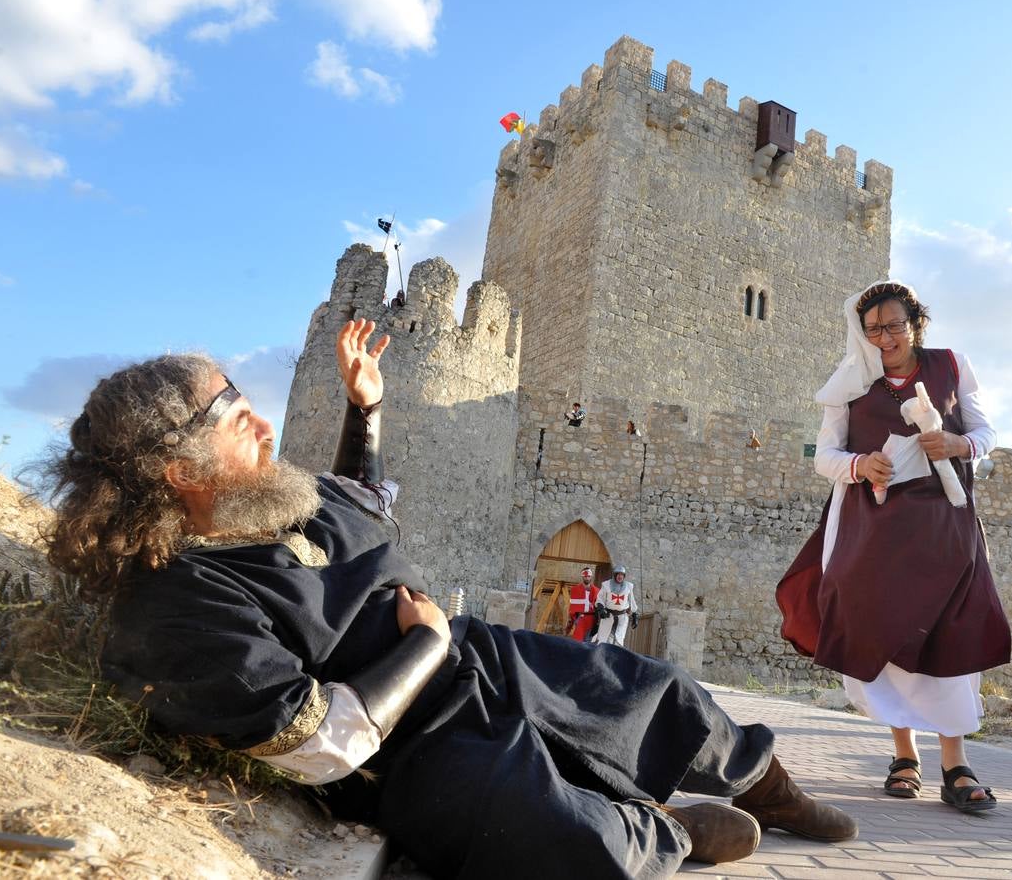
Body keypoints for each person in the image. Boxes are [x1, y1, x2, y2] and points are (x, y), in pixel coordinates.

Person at [43, 320, 857, 877]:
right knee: (557, 842)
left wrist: (366, 408)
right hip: (404, 746)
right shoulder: (178, 598)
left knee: (651, 693)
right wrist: (424, 644)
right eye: (232, 416)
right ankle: (666, 829)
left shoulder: (276, 498)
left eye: (247, 401)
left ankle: (767, 788)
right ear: (181, 472)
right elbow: (313, 740)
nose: (260, 424)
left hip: (479, 655)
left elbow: (364, 502)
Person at [776, 281, 1010, 813]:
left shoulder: (951, 365)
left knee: (951, 633)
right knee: (884, 633)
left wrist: (960, 444)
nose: (884, 337)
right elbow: (825, 456)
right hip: (874, 529)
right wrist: (860, 465)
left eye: (894, 325)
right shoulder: (852, 383)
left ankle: (957, 765)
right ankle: (904, 756)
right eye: (873, 329)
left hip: (944, 526)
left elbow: (985, 431)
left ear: (915, 324)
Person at [596, 566, 639, 647]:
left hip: (622, 617)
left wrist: (635, 615)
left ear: (624, 576)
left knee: (619, 639)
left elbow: (632, 601)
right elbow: (600, 599)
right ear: (614, 575)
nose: (620, 576)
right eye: (618, 574)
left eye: (622, 574)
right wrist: (601, 609)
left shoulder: (629, 586)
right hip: (608, 615)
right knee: (603, 639)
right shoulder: (606, 585)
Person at [565, 567, 600, 642]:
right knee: (578, 641)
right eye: (585, 576)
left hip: (592, 618)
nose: (587, 578)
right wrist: (570, 622)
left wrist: (598, 621)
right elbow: (572, 608)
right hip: (580, 618)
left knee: (589, 641)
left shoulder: (597, 591)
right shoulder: (575, 590)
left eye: (588, 576)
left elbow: (599, 607)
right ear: (582, 577)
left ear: (591, 577)